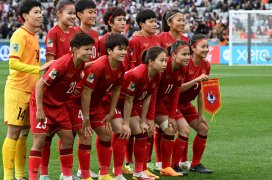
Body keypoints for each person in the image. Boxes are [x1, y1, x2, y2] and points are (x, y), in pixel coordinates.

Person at [28, 32, 95, 180]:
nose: (90, 53)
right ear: (75, 49)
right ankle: (34, 177)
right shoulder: (62, 64)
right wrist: (39, 109)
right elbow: (40, 85)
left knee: (68, 139)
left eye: (91, 49)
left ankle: (66, 176)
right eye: (86, 49)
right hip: (43, 105)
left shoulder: (80, 63)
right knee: (39, 141)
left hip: (59, 107)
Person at [2, 1, 53, 180]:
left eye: (41, 12)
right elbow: (13, 63)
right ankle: (8, 177)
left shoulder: (33, 36)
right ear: (25, 16)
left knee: (24, 133)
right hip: (17, 90)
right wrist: (38, 69)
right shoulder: (19, 35)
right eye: (36, 12)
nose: (40, 15)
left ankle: (19, 175)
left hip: (29, 91)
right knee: (14, 133)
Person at [66, 33, 128, 180]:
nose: (124, 52)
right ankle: (85, 175)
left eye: (125, 49)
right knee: (86, 136)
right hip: (77, 104)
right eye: (120, 49)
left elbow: (117, 89)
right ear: (109, 51)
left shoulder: (121, 66)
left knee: (106, 133)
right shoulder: (99, 66)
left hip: (95, 104)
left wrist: (112, 111)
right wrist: (86, 118)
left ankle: (104, 174)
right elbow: (85, 94)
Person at [39, 1, 77, 179]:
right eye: (69, 13)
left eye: (74, 13)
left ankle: (65, 173)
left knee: (69, 133)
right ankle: (44, 174)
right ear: (59, 13)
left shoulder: (77, 33)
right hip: (55, 90)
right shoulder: (53, 33)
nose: (73, 17)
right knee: (47, 135)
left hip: (71, 90)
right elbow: (50, 63)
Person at [116, 46, 166, 180]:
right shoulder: (136, 75)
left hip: (129, 103)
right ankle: (117, 174)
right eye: (161, 61)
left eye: (165, 61)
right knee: (123, 132)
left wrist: (144, 120)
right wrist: (126, 124)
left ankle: (138, 172)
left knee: (141, 131)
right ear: (150, 62)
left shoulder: (157, 75)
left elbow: (148, 97)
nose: (164, 64)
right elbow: (128, 100)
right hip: (114, 102)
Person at [153, 9, 190, 171]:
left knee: (178, 128)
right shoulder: (160, 39)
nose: (182, 23)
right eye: (179, 20)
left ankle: (174, 164)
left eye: (184, 20)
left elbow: (176, 88)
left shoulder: (185, 40)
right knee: (156, 129)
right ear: (169, 22)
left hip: (171, 93)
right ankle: (157, 162)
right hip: (156, 95)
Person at [174, 34, 213, 174]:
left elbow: (201, 90)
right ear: (193, 48)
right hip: (174, 103)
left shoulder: (206, 65)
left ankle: (196, 164)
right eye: (203, 46)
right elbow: (178, 88)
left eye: (207, 46)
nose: (206, 49)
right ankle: (173, 165)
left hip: (187, 104)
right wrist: (197, 79)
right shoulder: (185, 63)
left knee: (203, 128)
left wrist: (200, 115)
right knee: (184, 130)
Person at [74, 0, 99, 66]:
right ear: (79, 14)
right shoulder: (73, 33)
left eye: (95, 12)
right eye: (90, 12)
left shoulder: (95, 34)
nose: (94, 16)